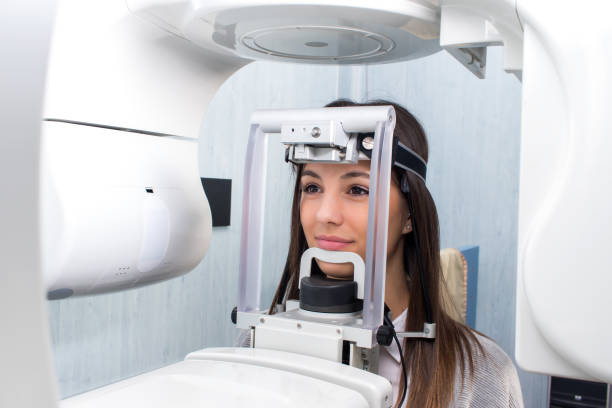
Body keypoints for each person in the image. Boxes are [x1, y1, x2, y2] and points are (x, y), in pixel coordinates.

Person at [268, 99, 524, 408]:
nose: (324, 214)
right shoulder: (260, 342)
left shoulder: (481, 374)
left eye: (357, 190)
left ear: (410, 215)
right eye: (311, 187)